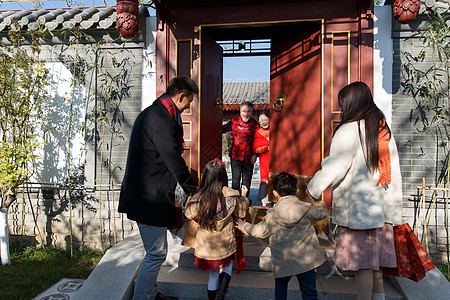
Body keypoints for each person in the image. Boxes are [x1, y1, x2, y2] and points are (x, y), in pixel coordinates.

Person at [306, 82, 403, 300]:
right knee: (375, 264)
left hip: (359, 212)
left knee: (363, 266)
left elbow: (337, 166)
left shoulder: (350, 129)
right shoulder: (382, 128)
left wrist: (313, 188)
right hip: (380, 211)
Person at [118, 76, 199, 300]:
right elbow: (173, 159)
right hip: (148, 196)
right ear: (180, 96)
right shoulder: (160, 118)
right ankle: (144, 297)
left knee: (156, 252)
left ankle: (149, 292)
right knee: (155, 253)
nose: (187, 108)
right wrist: (193, 189)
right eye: (188, 102)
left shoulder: (157, 113)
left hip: (148, 192)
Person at [236, 172, 327, 300]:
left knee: (280, 291)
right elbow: (322, 213)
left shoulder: (272, 216)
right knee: (310, 293)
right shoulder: (305, 209)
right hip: (307, 260)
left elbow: (258, 231)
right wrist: (317, 200)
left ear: (275, 193)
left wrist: (243, 226)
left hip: (284, 261)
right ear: (296, 190)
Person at [184, 159, 250, 300]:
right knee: (227, 268)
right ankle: (221, 296)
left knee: (213, 275)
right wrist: (244, 197)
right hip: (226, 242)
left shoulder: (199, 198)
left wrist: (190, 198)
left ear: (206, 177)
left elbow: (189, 213)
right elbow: (242, 212)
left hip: (207, 245)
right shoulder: (231, 196)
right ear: (223, 177)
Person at [222, 101, 259, 196]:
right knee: (235, 180)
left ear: (252, 112)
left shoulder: (255, 125)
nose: (246, 114)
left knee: (246, 182)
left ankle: (245, 201)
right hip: (235, 156)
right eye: (244, 111)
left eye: (249, 111)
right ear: (240, 112)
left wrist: (256, 154)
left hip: (249, 157)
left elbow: (259, 140)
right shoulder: (233, 121)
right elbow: (222, 129)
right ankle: (235, 201)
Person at [252, 110, 270, 206]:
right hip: (265, 161)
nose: (263, 121)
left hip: (276, 161)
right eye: (261, 120)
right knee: (265, 181)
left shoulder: (275, 130)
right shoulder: (258, 132)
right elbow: (256, 149)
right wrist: (267, 147)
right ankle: (264, 203)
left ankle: (277, 202)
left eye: (265, 119)